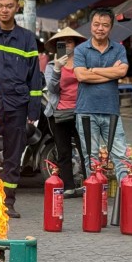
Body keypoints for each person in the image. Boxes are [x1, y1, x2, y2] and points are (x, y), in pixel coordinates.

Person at [0, 0, 44, 218]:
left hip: (17, 106)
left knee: (13, 155)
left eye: (9, 6)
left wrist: (33, 110)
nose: (4, 10)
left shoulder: (27, 39)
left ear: (17, 7)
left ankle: (8, 202)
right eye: (0, 6)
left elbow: (34, 76)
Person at [73, 7, 129, 192]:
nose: (100, 29)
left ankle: (127, 193)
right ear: (91, 26)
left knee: (120, 155)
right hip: (86, 110)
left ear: (110, 28)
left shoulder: (119, 48)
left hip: (112, 110)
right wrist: (110, 74)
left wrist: (93, 70)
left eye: (105, 25)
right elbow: (81, 76)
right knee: (91, 155)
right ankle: (95, 194)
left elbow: (122, 71)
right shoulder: (81, 49)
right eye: (96, 24)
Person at [44, 27, 85, 198]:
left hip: (81, 111)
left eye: (70, 41)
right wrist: (57, 69)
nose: (67, 44)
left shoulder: (84, 62)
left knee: (86, 150)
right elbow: (52, 89)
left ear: (75, 44)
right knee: (63, 151)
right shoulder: (52, 65)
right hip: (59, 112)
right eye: (63, 42)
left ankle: (90, 183)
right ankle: (68, 186)